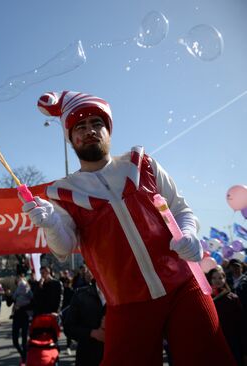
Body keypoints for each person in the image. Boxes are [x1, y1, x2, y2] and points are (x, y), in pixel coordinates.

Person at [22, 90, 236, 365]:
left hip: (184, 288)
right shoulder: (62, 193)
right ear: (70, 138)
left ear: (109, 130)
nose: (90, 131)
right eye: (80, 126)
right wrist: (50, 223)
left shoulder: (143, 164)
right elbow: (63, 248)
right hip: (126, 305)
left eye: (97, 123)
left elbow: (182, 210)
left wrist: (189, 233)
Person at [63, 267, 105, 366]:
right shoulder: (81, 295)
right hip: (88, 357)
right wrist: (92, 333)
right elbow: (68, 328)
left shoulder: (125, 294)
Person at [208, 266, 247, 365]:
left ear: (225, 279)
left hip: (232, 342)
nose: (217, 281)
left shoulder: (233, 298)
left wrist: (244, 349)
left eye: (220, 278)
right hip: (214, 344)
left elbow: (241, 324)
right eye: (214, 278)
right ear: (209, 279)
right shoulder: (205, 299)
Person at [11, 271, 34, 366]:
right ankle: (24, 355)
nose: (18, 279)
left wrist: (22, 307)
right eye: (17, 278)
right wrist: (9, 295)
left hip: (24, 315)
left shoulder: (27, 287)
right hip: (16, 315)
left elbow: (33, 301)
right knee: (15, 340)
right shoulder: (17, 288)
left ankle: (24, 359)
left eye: (19, 278)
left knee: (24, 339)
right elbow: (12, 300)